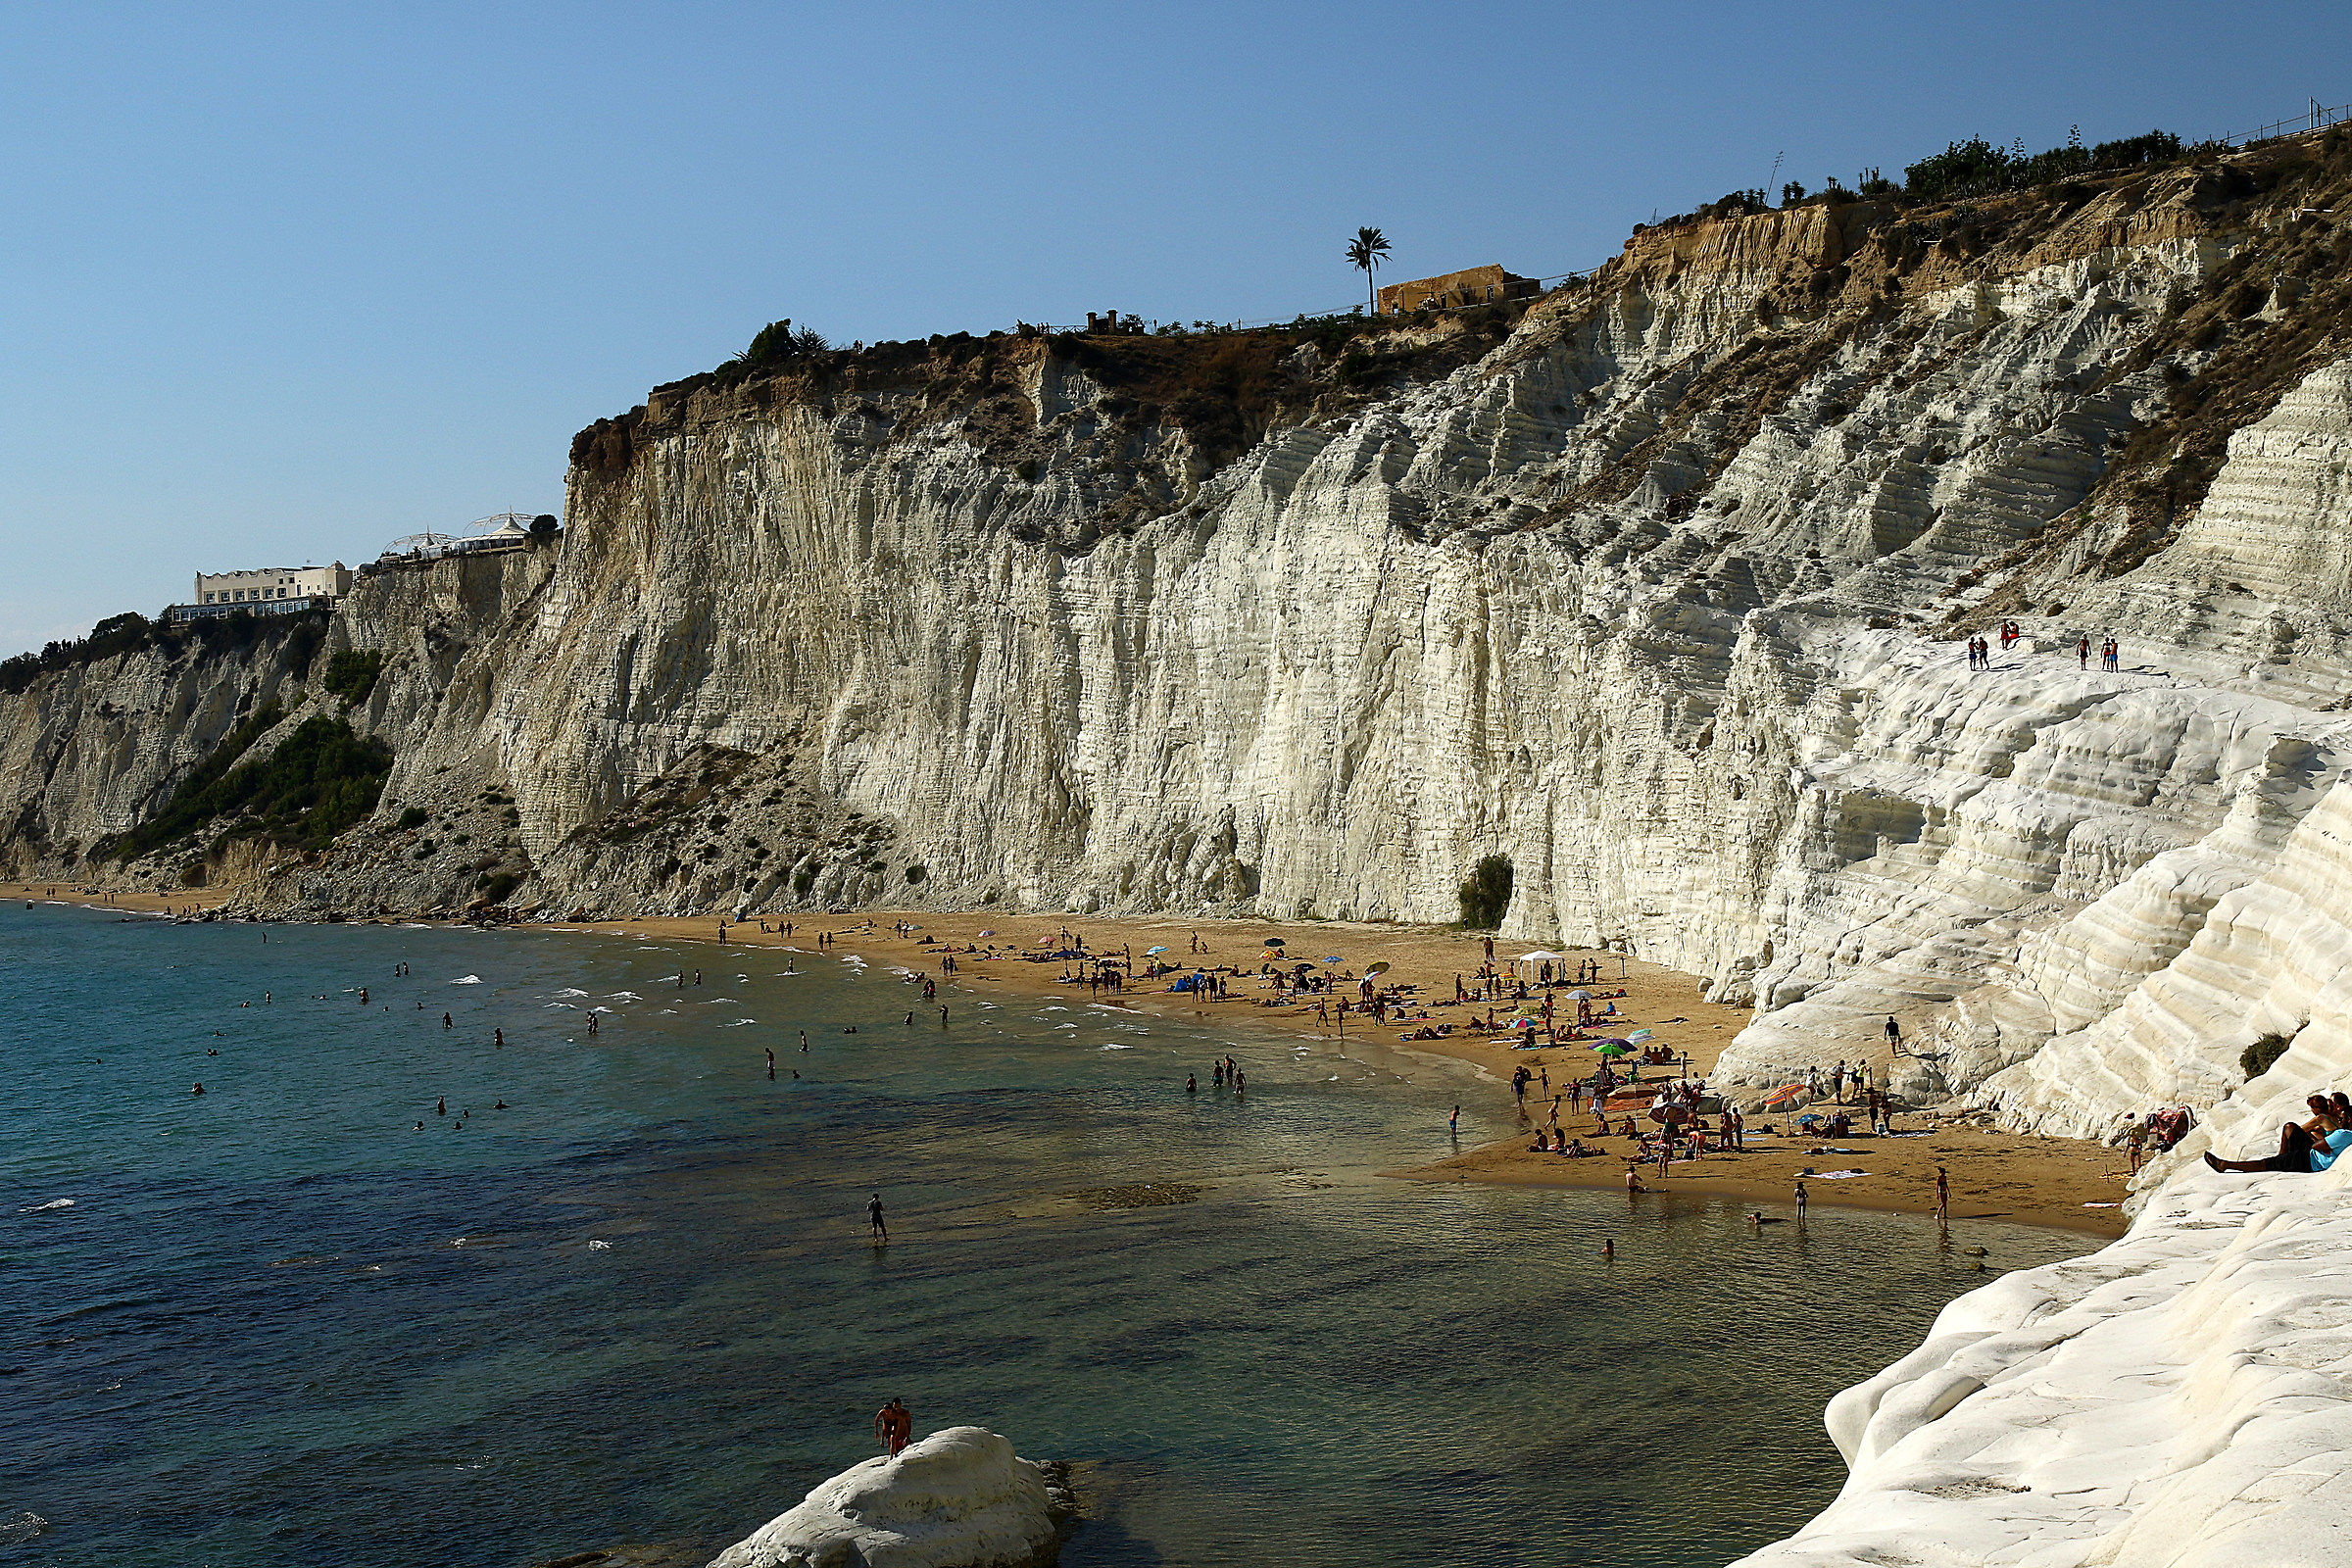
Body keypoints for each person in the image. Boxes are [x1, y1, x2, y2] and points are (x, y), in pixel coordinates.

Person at [2204, 1096, 2352, 1172]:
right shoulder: (2345, 1133)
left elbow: (2319, 1146)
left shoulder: (2344, 1133)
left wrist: (2317, 1139)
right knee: (2290, 1128)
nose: (2340, 1119)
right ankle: (2281, 1157)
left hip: (2310, 1160)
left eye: (2343, 1118)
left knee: (2267, 1164)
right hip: (2312, 1156)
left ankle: (2224, 1165)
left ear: (2349, 1120)